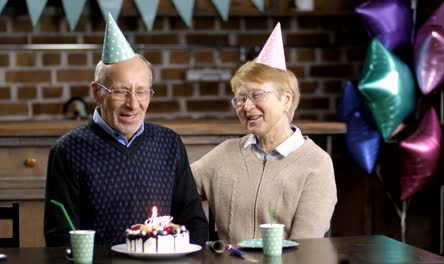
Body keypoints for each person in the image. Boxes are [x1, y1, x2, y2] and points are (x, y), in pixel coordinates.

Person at [44, 13, 208, 247]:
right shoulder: (68, 150)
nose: (133, 103)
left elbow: (194, 221)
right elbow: (60, 236)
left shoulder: (169, 143)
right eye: (121, 92)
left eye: (142, 91)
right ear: (96, 93)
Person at [191, 22, 337, 244]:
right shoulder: (223, 155)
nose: (247, 107)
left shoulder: (317, 164)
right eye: (240, 98)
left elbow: (306, 249)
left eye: (257, 95)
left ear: (286, 99)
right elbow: (173, 187)